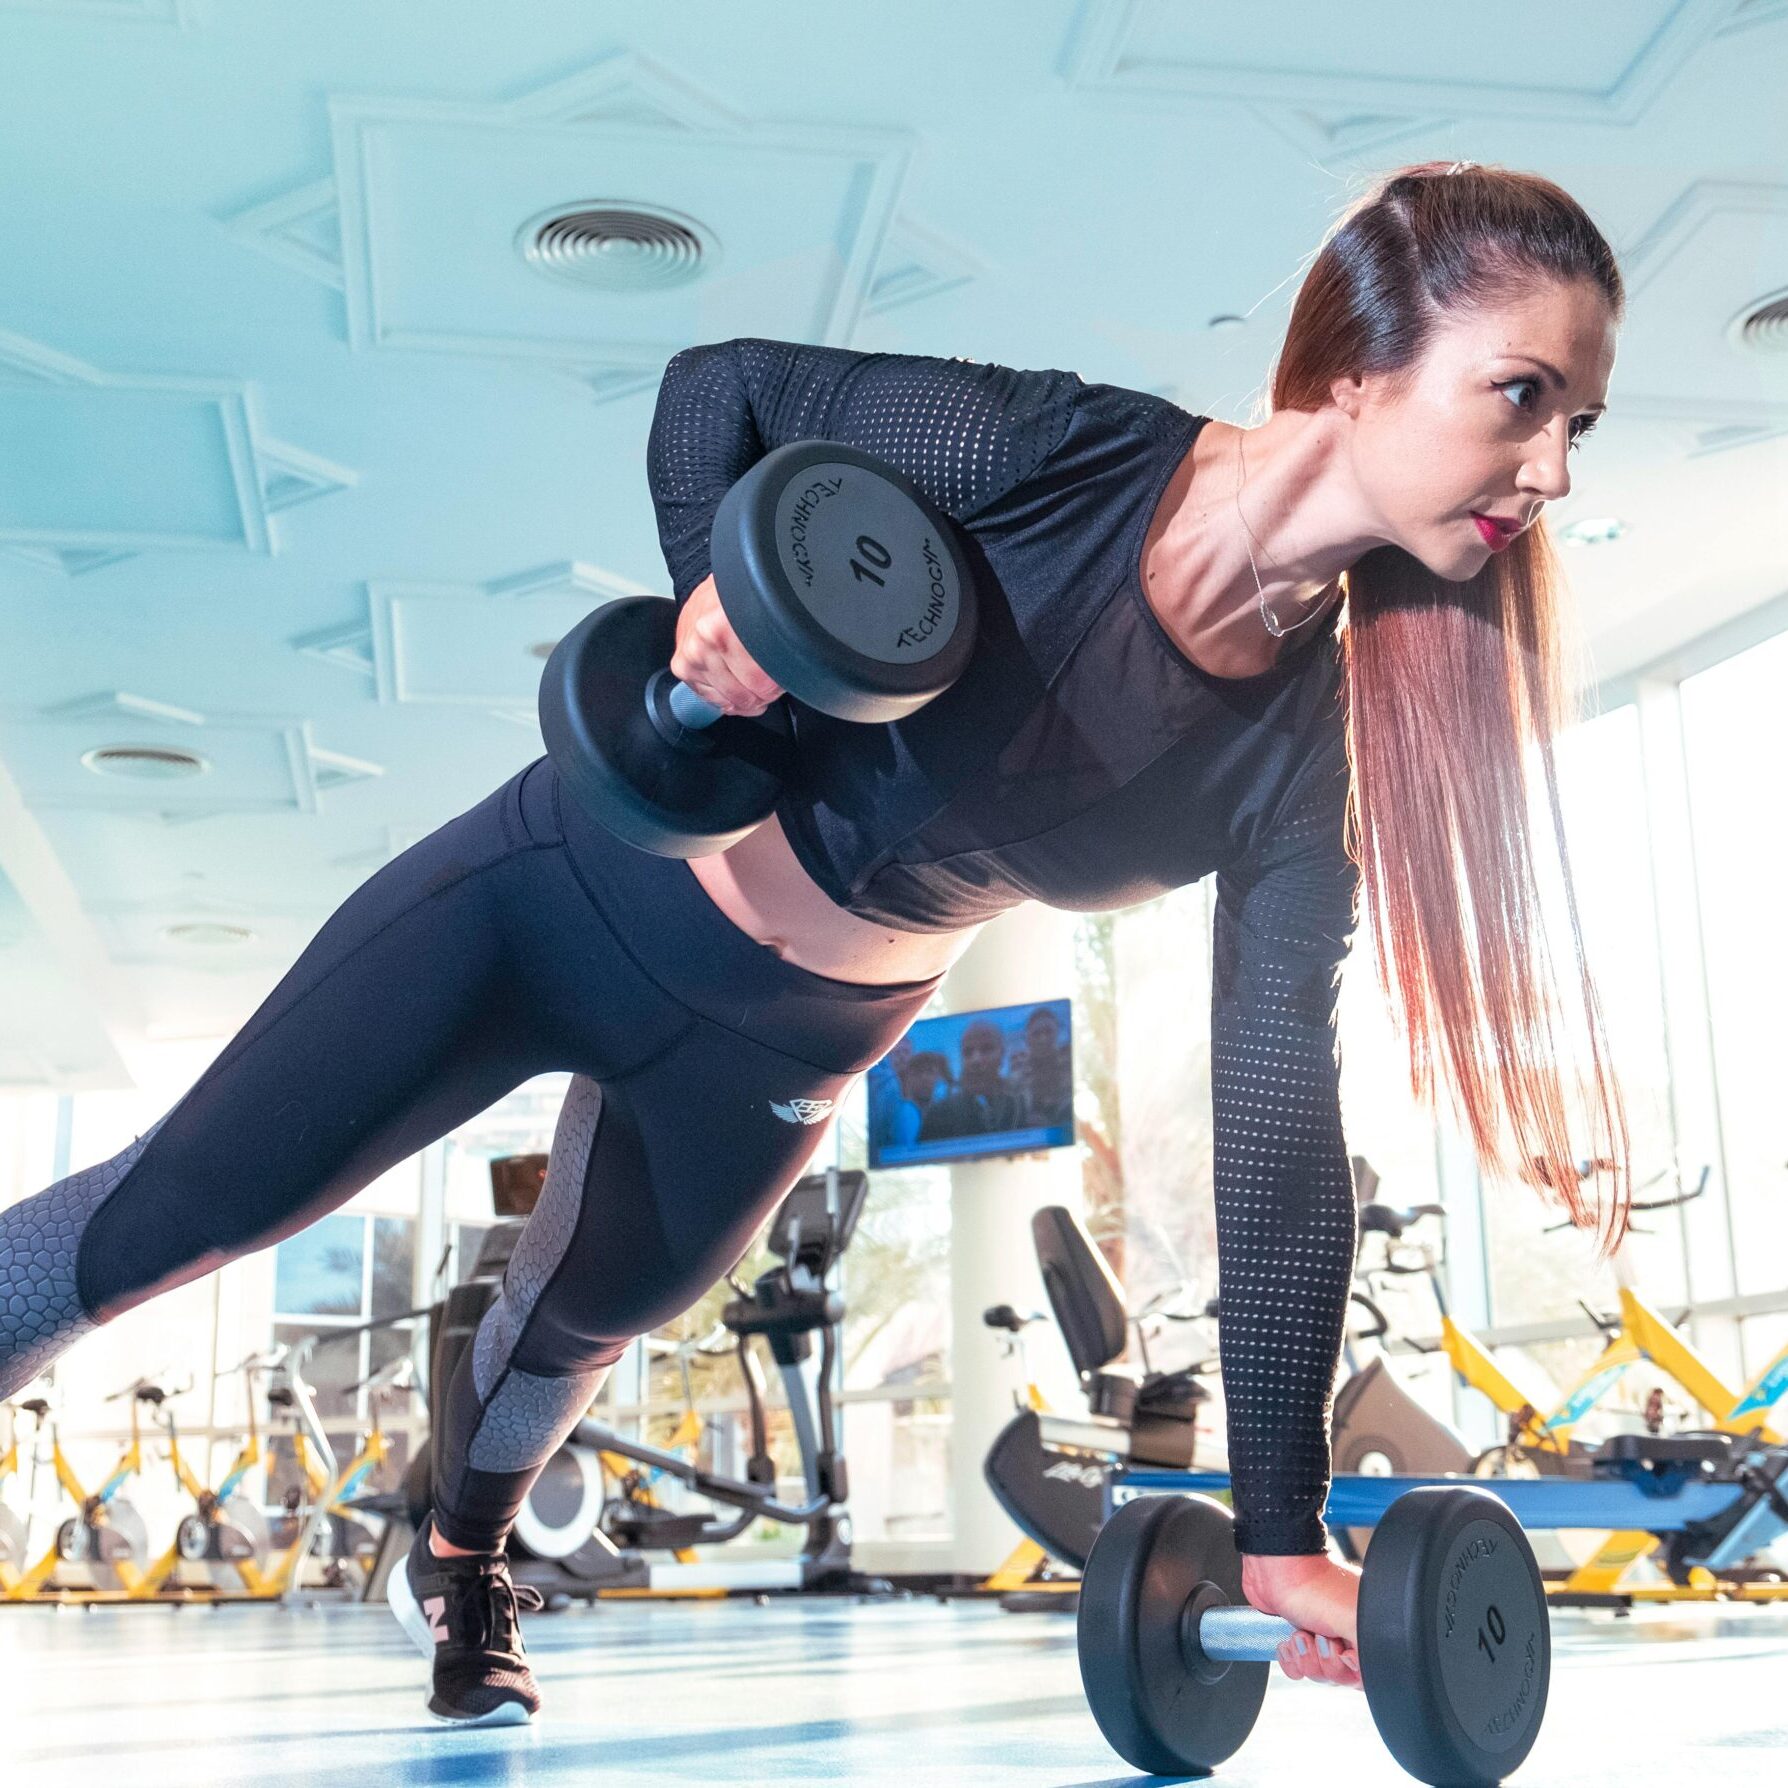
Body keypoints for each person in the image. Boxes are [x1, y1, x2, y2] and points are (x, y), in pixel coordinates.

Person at [0, 159, 1633, 1715]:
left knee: (589, 1315)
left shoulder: (1301, 757)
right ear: (1357, 371)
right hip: (562, 892)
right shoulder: (1059, 451)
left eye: (1580, 424)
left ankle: (464, 1554)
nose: (1553, 469)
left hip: (782, 1049)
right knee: (188, 1217)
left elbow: (1279, 1128)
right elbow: (723, 389)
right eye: (1522, 394)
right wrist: (721, 589)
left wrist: (1282, 1532)